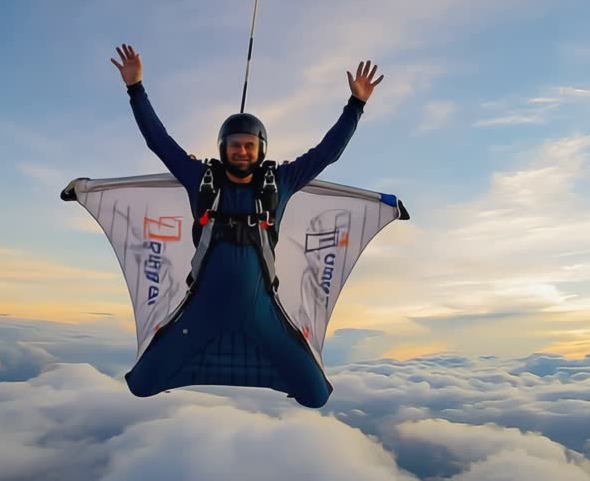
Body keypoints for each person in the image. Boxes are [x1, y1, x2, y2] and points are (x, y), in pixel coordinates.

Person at [108, 43, 383, 407]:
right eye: (234, 145)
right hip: (202, 309)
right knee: (141, 384)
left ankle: (253, 362)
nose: (241, 151)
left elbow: (326, 152)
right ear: (222, 148)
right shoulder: (200, 178)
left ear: (261, 149)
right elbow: (158, 141)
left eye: (249, 146)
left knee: (315, 396)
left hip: (262, 313)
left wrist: (355, 105)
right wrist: (135, 88)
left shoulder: (280, 182)